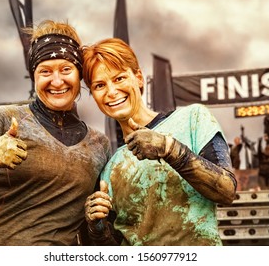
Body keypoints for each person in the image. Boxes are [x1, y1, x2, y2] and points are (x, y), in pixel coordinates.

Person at [0, 20, 111, 245]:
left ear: (79, 74)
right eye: (45, 71)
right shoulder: (4, 118)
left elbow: (92, 235)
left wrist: (96, 225)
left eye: (66, 69)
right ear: (34, 76)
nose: (57, 80)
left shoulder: (100, 145)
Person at [81, 38, 237, 246]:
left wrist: (169, 148)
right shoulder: (110, 167)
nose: (111, 92)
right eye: (100, 85)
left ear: (138, 78)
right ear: (94, 95)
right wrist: (97, 229)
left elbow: (227, 190)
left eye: (119, 78)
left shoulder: (193, 119)